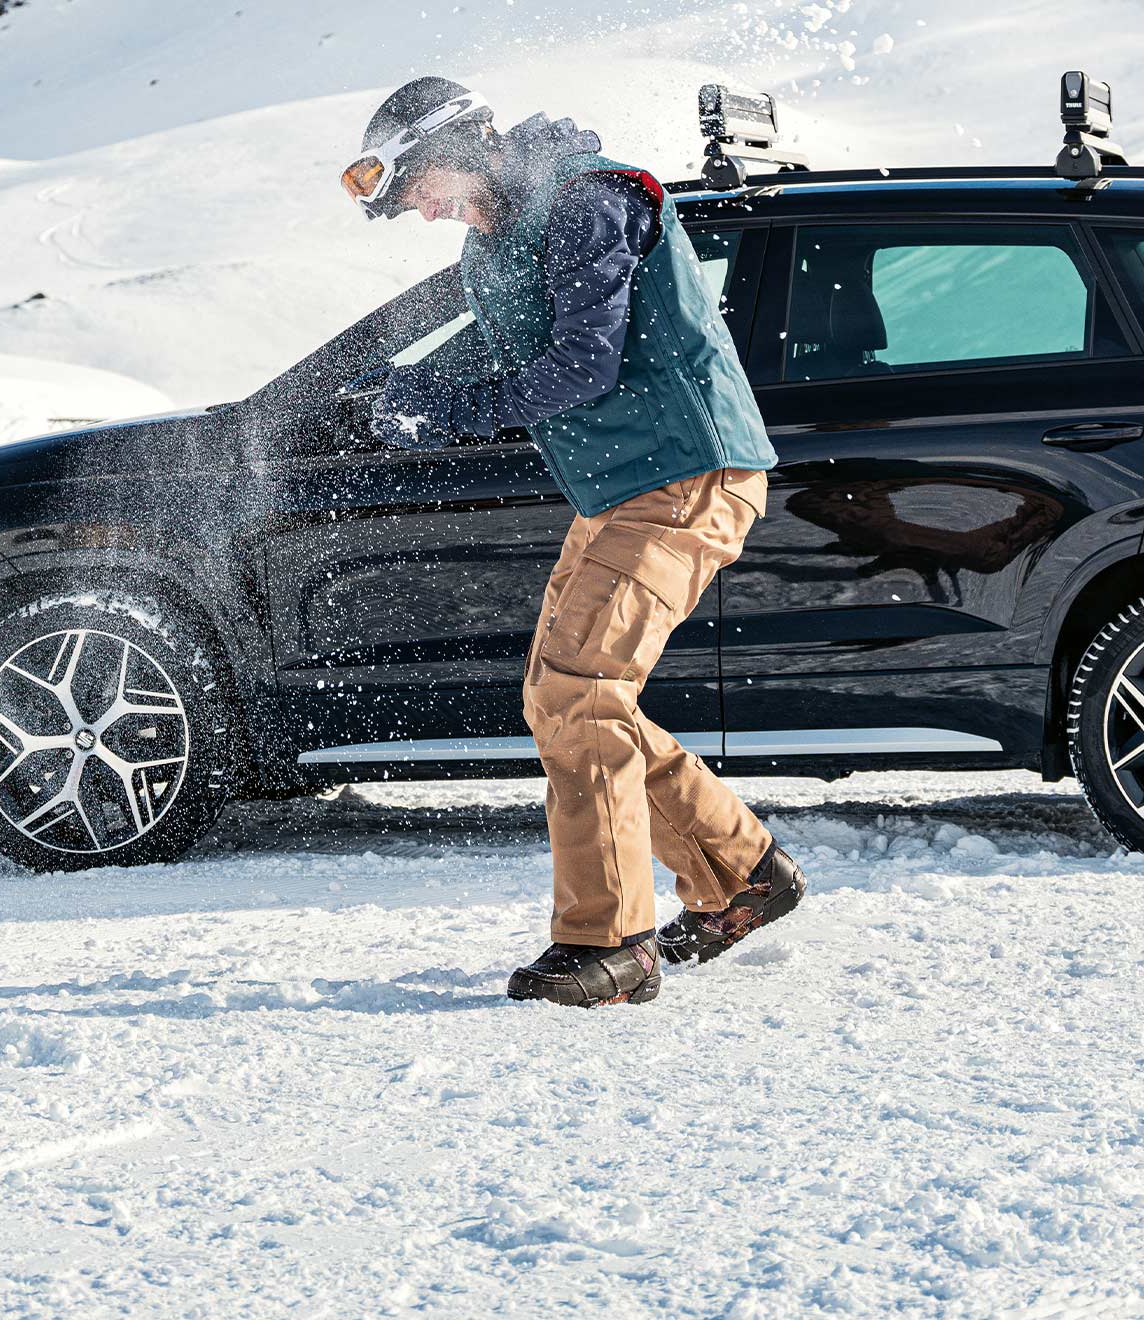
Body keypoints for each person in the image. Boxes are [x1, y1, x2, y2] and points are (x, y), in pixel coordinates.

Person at [344, 78, 807, 1008]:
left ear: (468, 141)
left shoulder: (587, 201)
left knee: (580, 691)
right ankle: (741, 873)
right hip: (620, 489)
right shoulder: (495, 238)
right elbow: (504, 345)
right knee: (569, 697)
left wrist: (445, 412)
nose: (424, 208)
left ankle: (612, 943)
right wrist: (395, 387)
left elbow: (582, 363)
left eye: (423, 181)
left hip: (688, 470)